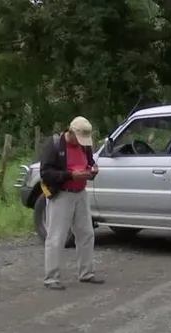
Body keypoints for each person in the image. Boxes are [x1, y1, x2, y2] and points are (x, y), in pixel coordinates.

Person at [41, 116, 105, 290]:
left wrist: (93, 170)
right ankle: (51, 278)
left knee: (86, 233)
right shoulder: (55, 145)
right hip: (62, 194)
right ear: (70, 132)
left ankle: (87, 273)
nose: (82, 143)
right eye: (79, 138)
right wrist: (70, 175)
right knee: (57, 236)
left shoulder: (85, 146)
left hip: (80, 193)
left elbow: (90, 162)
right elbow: (45, 173)